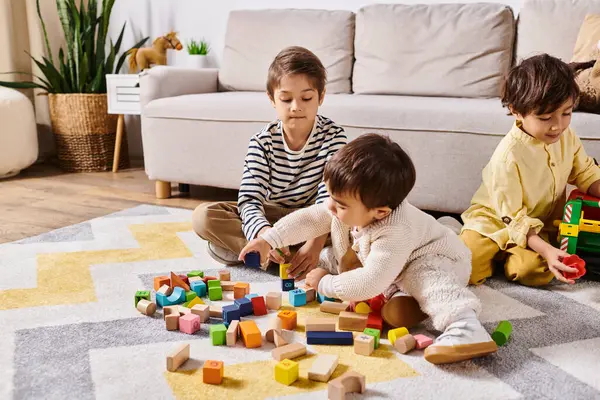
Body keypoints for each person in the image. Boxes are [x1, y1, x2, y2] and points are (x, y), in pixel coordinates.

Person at [239, 134, 498, 365]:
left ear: (380, 213)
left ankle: (465, 326)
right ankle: (405, 297)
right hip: (392, 262)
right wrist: (268, 239)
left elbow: (371, 281)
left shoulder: (396, 229)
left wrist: (327, 284)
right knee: (335, 260)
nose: (329, 206)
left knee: (418, 275)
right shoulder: (345, 208)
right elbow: (310, 218)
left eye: (339, 204)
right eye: (329, 196)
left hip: (439, 258)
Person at [193, 46, 346, 279]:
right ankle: (278, 253)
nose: (296, 107)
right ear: (272, 99)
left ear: (321, 97)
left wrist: (314, 244)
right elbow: (249, 200)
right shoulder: (262, 142)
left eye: (306, 98)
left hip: (314, 220)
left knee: (356, 223)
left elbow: (330, 201)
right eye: (286, 99)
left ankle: (260, 254)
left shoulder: (334, 138)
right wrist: (265, 234)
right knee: (203, 217)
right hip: (273, 218)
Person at [461, 54, 600, 286]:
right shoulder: (508, 157)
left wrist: (546, 250)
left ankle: (508, 257)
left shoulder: (567, 137)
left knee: (537, 272)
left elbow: (586, 173)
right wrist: (545, 249)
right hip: (494, 222)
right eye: (545, 117)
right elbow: (512, 217)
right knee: (466, 266)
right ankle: (453, 232)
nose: (558, 125)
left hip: (534, 227)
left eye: (566, 113)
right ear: (516, 111)